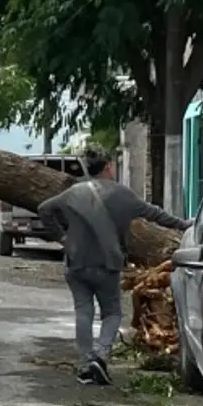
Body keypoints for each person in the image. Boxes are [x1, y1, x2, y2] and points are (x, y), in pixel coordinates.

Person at [37, 147, 190, 386]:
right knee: (112, 313)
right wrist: (183, 224)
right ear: (109, 167)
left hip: (75, 262)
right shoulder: (123, 195)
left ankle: (87, 362)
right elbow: (156, 214)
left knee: (83, 311)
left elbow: (44, 209)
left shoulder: (73, 193)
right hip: (106, 263)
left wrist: (62, 237)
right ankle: (101, 354)